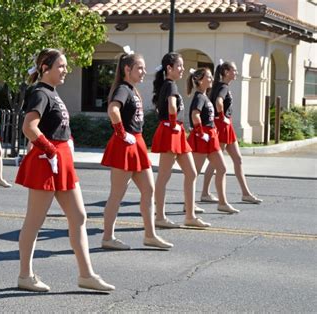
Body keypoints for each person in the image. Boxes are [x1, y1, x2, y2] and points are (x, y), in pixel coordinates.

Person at [15, 48, 114, 292]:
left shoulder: (51, 93)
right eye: (61, 66)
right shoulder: (40, 93)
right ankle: (25, 276)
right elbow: (29, 127)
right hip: (47, 161)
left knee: (79, 216)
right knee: (34, 221)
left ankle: (86, 275)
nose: (65, 70)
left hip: (60, 160)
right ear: (45, 68)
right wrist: (49, 150)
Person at [100, 48, 173, 250]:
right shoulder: (123, 89)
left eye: (144, 68)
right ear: (127, 69)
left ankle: (150, 235)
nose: (143, 71)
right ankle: (107, 237)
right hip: (125, 145)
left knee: (148, 190)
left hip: (137, 144)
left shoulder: (132, 89)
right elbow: (113, 110)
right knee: (117, 194)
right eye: (139, 68)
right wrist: (122, 133)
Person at [151, 52, 211, 228]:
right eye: (179, 66)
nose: (183, 69)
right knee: (163, 177)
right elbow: (171, 106)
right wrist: (172, 123)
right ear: (169, 68)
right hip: (171, 131)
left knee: (191, 173)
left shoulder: (170, 85)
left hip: (176, 131)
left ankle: (190, 216)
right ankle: (160, 217)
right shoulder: (170, 85)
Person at [200, 61, 263, 204]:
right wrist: (222, 118)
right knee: (216, 161)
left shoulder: (219, 86)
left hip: (225, 126)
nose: (236, 73)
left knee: (237, 159)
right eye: (234, 70)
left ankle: (245, 193)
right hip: (222, 126)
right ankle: (205, 193)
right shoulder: (223, 87)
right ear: (227, 72)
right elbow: (218, 102)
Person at [187, 68, 239, 214]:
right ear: (199, 80)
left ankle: (222, 203)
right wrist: (200, 133)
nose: (211, 79)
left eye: (210, 76)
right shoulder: (199, 97)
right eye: (208, 77)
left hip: (211, 136)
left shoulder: (205, 96)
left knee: (222, 168)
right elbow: (195, 115)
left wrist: (214, 128)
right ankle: (189, 204)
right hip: (202, 138)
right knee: (194, 173)